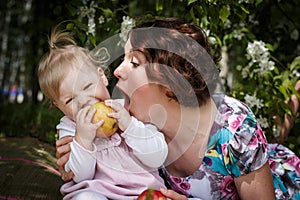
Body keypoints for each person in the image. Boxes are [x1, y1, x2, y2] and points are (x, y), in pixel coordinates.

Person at [56, 18, 300, 200]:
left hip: (285, 186)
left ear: (169, 82)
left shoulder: (235, 130)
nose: (117, 71)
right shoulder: (132, 122)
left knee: (275, 131)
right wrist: (75, 154)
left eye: (134, 62)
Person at [38, 27, 168, 200]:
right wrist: (83, 140)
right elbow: (79, 176)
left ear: (102, 77)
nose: (84, 100)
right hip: (98, 193)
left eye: (87, 87)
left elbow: (158, 158)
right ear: (58, 106)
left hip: (144, 194)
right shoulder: (69, 129)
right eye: (70, 100)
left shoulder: (129, 110)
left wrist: (130, 126)